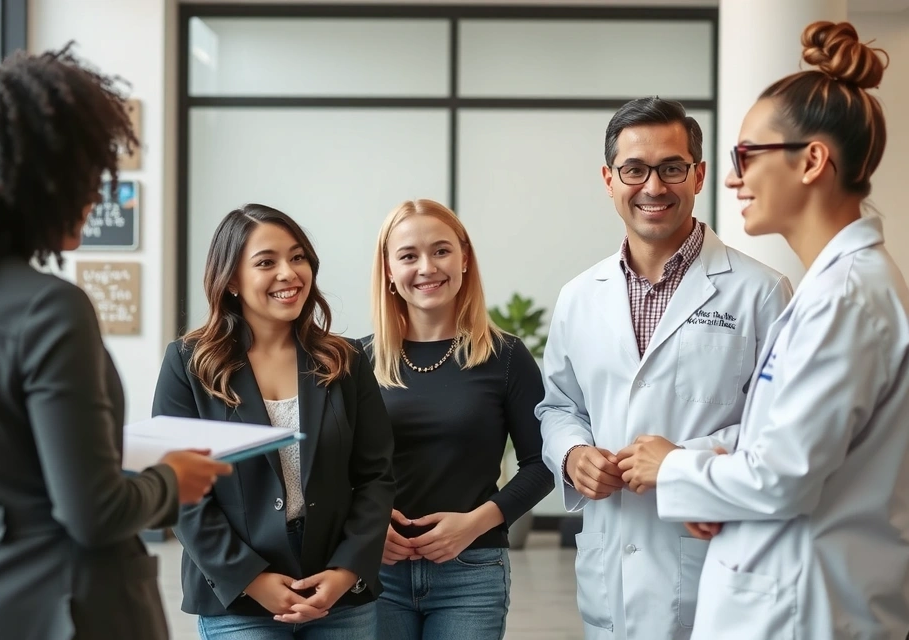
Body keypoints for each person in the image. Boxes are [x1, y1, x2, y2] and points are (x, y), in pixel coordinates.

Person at [0, 45, 230, 640]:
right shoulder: (49, 309)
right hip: (50, 608)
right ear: (35, 184)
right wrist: (170, 481)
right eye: (85, 178)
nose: (95, 195)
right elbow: (94, 514)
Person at [619, 21, 909, 640]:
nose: (733, 178)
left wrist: (675, 467)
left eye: (747, 156)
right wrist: (709, 482)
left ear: (812, 161)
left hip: (802, 609)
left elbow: (783, 479)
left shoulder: (846, 299)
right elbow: (794, 453)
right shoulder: (833, 289)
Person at [535, 97, 792, 640]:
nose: (653, 187)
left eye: (672, 167)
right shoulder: (579, 296)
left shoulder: (761, 292)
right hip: (609, 570)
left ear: (698, 175)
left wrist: (680, 462)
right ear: (609, 179)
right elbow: (558, 406)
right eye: (634, 169)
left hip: (712, 566)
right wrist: (574, 454)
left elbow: (781, 428)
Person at [153, 204, 395, 638]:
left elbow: (375, 476)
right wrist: (250, 578)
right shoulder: (189, 364)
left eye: (298, 257)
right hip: (237, 594)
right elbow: (180, 490)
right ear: (230, 280)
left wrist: (346, 570)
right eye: (266, 262)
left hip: (339, 590)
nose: (289, 273)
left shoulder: (345, 359)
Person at [364, 199, 553, 639]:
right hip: (378, 570)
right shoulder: (358, 361)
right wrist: (368, 525)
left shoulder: (506, 357)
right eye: (408, 255)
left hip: (472, 570)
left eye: (441, 250)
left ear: (464, 258)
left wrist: (474, 525)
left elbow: (544, 464)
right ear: (389, 269)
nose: (427, 267)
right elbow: (332, 469)